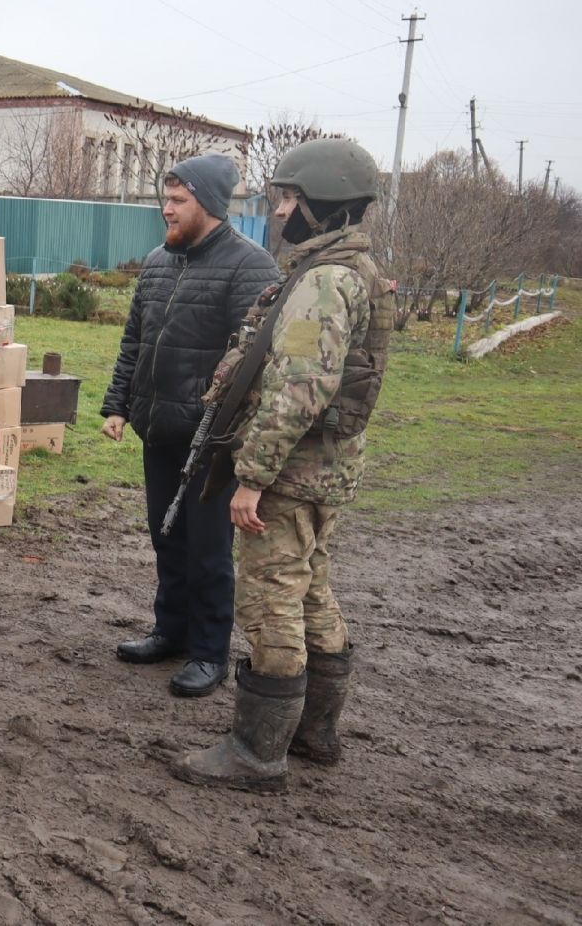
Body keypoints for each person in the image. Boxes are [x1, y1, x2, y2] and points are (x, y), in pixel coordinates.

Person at [174, 137, 391, 793]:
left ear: (319, 206)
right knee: (312, 590)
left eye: (288, 198)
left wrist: (252, 478)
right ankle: (314, 734)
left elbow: (299, 389)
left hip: (291, 476)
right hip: (326, 472)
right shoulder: (355, 273)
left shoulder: (323, 283)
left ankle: (257, 752)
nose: (278, 210)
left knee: (271, 603)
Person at [101, 154, 278, 697]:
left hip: (212, 441)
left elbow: (256, 365)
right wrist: (118, 404)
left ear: (209, 205)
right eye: (167, 199)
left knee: (207, 551)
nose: (166, 210)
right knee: (166, 536)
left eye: (178, 201)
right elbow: (136, 339)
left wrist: (232, 438)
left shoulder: (251, 267)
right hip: (159, 429)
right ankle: (171, 631)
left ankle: (208, 651)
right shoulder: (157, 262)